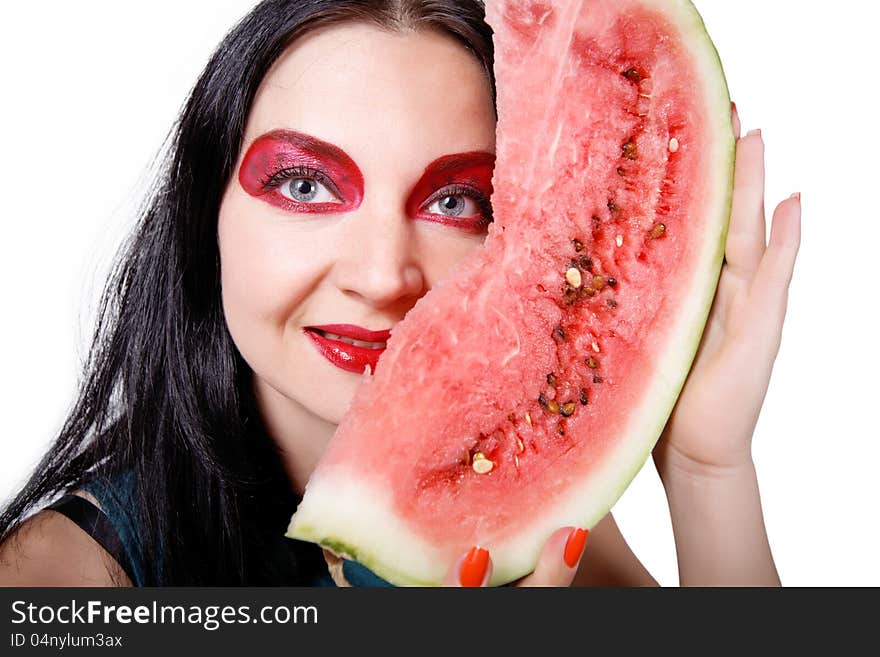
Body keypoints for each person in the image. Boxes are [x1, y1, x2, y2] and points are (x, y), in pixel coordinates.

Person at [0, 0, 800, 587]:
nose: (382, 275)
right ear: (203, 211)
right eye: (306, 185)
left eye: (457, 201)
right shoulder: (59, 575)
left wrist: (705, 471)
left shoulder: (536, 530)